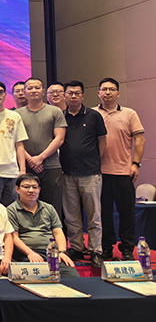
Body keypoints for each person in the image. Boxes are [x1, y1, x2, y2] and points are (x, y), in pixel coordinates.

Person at [95, 77, 145, 261]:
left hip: (124, 172)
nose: (107, 92)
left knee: (127, 214)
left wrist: (136, 164)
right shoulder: (92, 114)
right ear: (98, 93)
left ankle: (127, 248)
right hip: (99, 173)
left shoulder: (129, 114)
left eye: (111, 89)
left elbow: (140, 140)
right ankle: (106, 247)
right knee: (103, 214)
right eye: (104, 89)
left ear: (118, 93)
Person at [60, 80, 107, 267]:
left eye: (77, 93)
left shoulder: (94, 116)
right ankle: (77, 247)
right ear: (65, 95)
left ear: (83, 95)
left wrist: (93, 161)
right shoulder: (60, 116)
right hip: (67, 173)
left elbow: (102, 142)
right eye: (70, 93)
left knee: (94, 214)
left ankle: (96, 250)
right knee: (71, 215)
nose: (73, 96)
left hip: (90, 172)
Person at [7, 174, 79, 277]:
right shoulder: (11, 210)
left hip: (51, 252)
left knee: (73, 277)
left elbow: (58, 233)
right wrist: (29, 253)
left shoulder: (48, 208)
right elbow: (14, 237)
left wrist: (62, 252)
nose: (31, 190)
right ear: (17, 189)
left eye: (35, 187)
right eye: (26, 187)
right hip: (26, 254)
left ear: (39, 190)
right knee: (37, 278)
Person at [16, 78, 67, 217]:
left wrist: (40, 158)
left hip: (51, 166)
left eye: (37, 88)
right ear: (25, 92)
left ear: (43, 91)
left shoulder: (55, 111)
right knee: (27, 206)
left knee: (52, 207)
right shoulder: (17, 114)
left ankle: (54, 231)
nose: (33, 91)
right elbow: (16, 141)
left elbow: (59, 138)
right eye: (30, 88)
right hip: (27, 167)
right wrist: (31, 160)